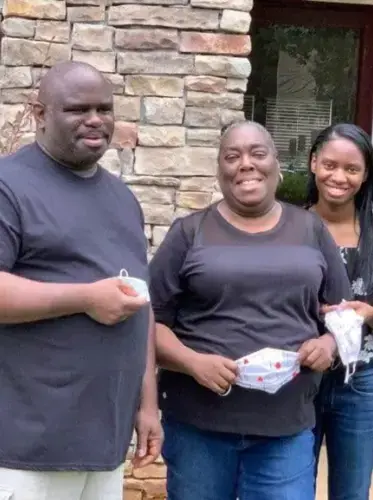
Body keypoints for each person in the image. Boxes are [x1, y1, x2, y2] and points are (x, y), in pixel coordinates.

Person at [149, 120, 351, 500]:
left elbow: (343, 314)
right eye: (232, 156)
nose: (246, 164)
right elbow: (148, 323)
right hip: (198, 428)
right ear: (219, 169)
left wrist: (329, 344)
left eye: (257, 153)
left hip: (285, 430)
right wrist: (192, 361)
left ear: (276, 163)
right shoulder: (189, 233)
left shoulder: (311, 230)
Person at [0, 61, 162, 500]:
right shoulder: (9, 185)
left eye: (104, 108)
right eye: (77, 109)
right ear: (39, 113)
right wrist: (86, 297)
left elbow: (141, 304)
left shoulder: (122, 198)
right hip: (26, 449)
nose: (95, 120)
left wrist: (148, 405)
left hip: (103, 446)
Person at [306, 123, 373, 500]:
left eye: (352, 169)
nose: (339, 177)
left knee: (351, 491)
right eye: (330, 164)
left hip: (360, 380)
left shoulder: (372, 231)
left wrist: (369, 314)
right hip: (299, 378)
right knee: (290, 485)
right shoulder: (288, 224)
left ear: (365, 176)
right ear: (314, 163)